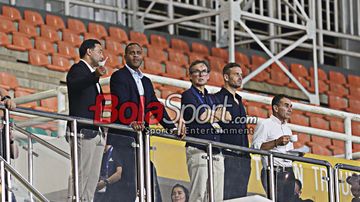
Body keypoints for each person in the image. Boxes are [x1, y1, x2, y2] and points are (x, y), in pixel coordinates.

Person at [109, 42, 177, 202]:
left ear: (142, 56)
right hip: (123, 136)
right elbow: (121, 101)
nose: (135, 55)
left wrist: (171, 128)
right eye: (131, 52)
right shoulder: (118, 76)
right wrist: (131, 121)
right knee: (128, 182)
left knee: (146, 175)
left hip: (142, 137)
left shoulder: (146, 81)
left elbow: (155, 105)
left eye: (138, 52)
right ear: (125, 57)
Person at [181, 60, 230, 202]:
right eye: (196, 71)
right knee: (199, 195)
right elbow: (202, 116)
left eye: (204, 71)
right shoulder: (188, 95)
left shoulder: (211, 97)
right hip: (198, 149)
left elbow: (227, 117)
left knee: (216, 197)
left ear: (208, 76)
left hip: (216, 150)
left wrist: (210, 113)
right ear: (190, 76)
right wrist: (214, 113)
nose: (201, 74)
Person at [66, 39, 107, 201]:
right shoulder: (77, 69)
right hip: (82, 130)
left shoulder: (91, 75)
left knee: (92, 176)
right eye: (100, 51)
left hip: (95, 131)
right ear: (89, 51)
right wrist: (95, 75)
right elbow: (74, 84)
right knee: (81, 172)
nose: (102, 55)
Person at [214, 63, 251, 199]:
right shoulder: (217, 98)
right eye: (236, 74)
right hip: (227, 156)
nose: (240, 77)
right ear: (226, 77)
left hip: (244, 158)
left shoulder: (240, 101)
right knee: (226, 196)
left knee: (241, 197)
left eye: (241, 74)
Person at [252, 94, 296, 202]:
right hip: (273, 171)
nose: (290, 109)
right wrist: (276, 142)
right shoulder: (265, 124)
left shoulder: (288, 129)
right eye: (286, 106)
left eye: (291, 106)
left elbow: (288, 152)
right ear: (275, 108)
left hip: (289, 171)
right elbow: (255, 148)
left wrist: (296, 155)